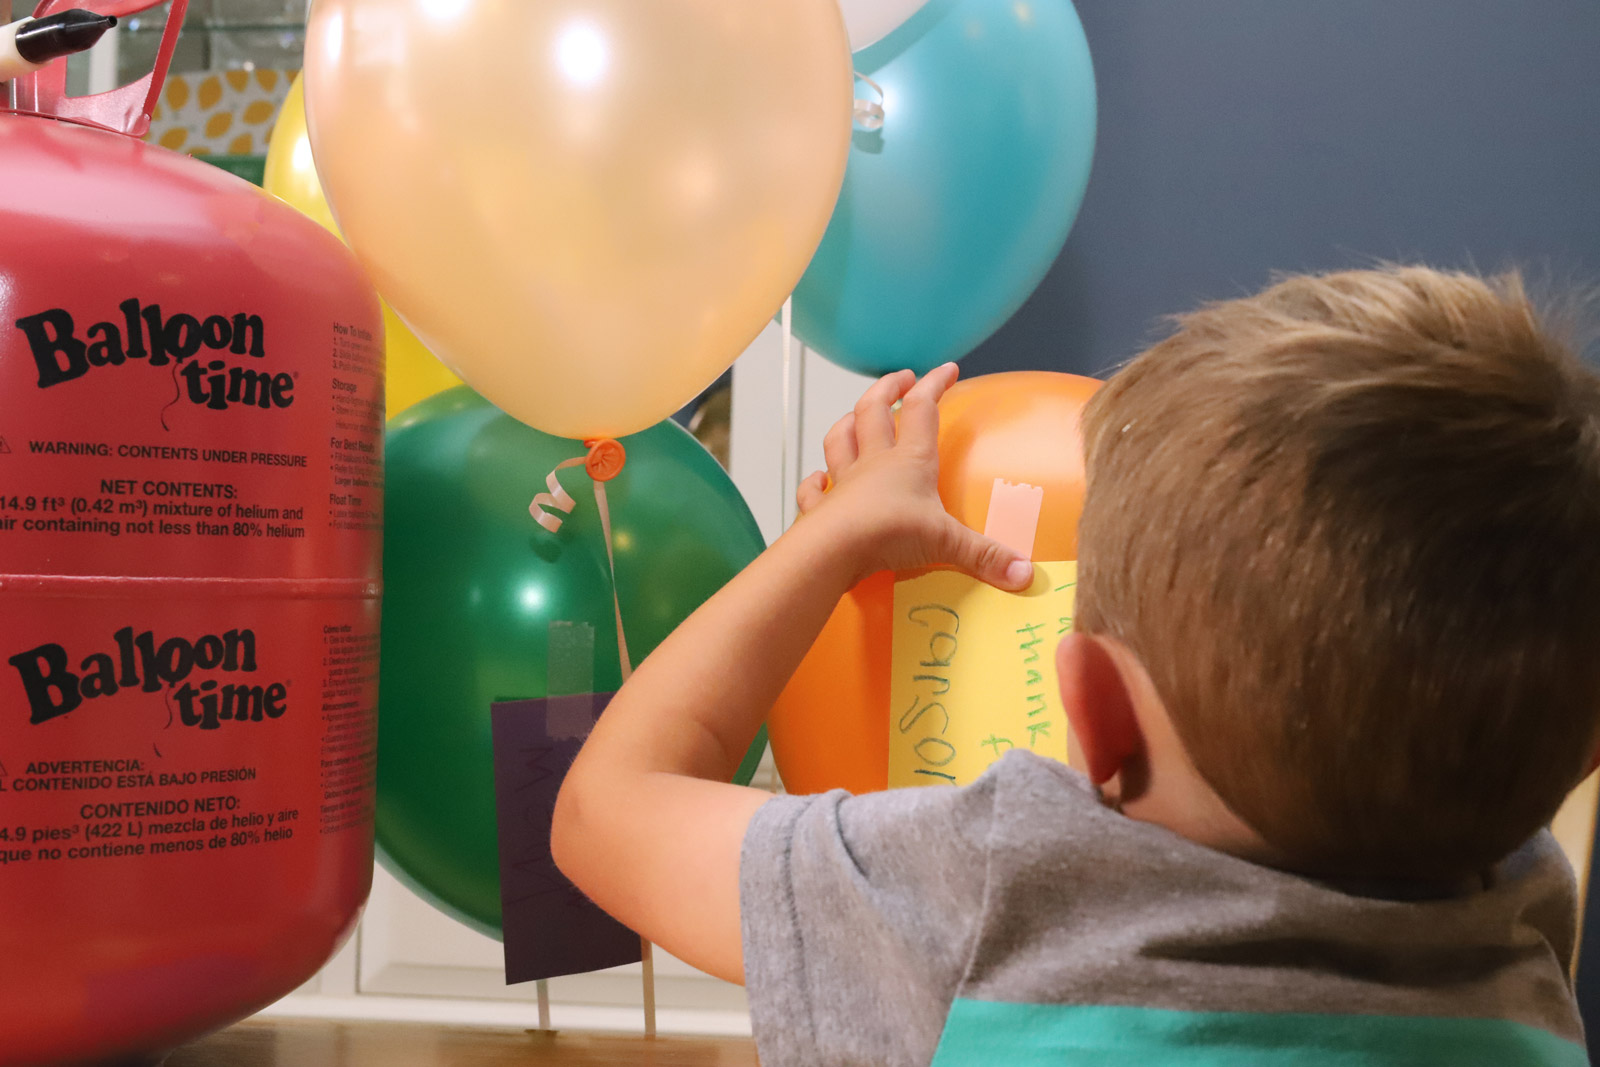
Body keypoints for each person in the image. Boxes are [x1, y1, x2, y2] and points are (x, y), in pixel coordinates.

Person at [551, 266, 1600, 1066]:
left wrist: (831, 541)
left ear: (1093, 711)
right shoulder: (1521, 917)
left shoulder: (1011, 880)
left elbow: (606, 808)